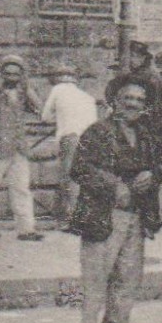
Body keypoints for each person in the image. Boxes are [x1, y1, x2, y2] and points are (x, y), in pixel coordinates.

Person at [69, 76, 162, 323]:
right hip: (104, 215)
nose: (134, 104)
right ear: (115, 102)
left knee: (128, 278)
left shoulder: (145, 135)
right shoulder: (97, 132)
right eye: (128, 98)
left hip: (135, 216)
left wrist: (153, 175)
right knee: (97, 278)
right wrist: (114, 185)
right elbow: (80, 168)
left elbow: (157, 167)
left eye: (139, 100)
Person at [0, 54, 44, 242]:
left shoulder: (22, 93)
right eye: (8, 74)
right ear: (2, 74)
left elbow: (40, 109)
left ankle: (26, 229)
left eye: (16, 74)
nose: (12, 78)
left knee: (21, 189)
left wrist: (27, 87)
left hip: (19, 148)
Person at [42, 62, 98, 221]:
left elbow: (45, 117)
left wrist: (58, 116)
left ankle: (70, 217)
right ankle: (67, 214)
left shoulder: (58, 90)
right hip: (89, 139)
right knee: (83, 177)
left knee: (68, 177)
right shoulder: (88, 97)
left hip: (70, 137)